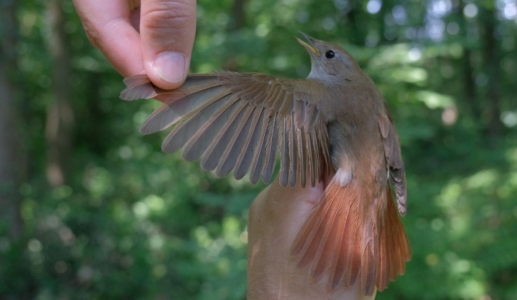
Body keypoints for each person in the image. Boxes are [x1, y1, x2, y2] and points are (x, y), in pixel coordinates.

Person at [72, 1, 374, 298]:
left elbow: (251, 96)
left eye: (329, 53)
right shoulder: (369, 96)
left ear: (342, 69)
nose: (316, 47)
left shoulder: (306, 92)